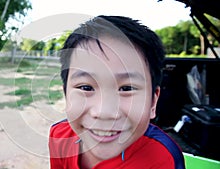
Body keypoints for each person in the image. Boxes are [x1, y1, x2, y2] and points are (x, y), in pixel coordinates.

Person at [48, 15, 185, 169]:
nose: (104, 112)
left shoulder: (162, 159)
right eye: (86, 87)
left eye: (126, 88)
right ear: (66, 95)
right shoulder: (59, 136)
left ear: (153, 103)